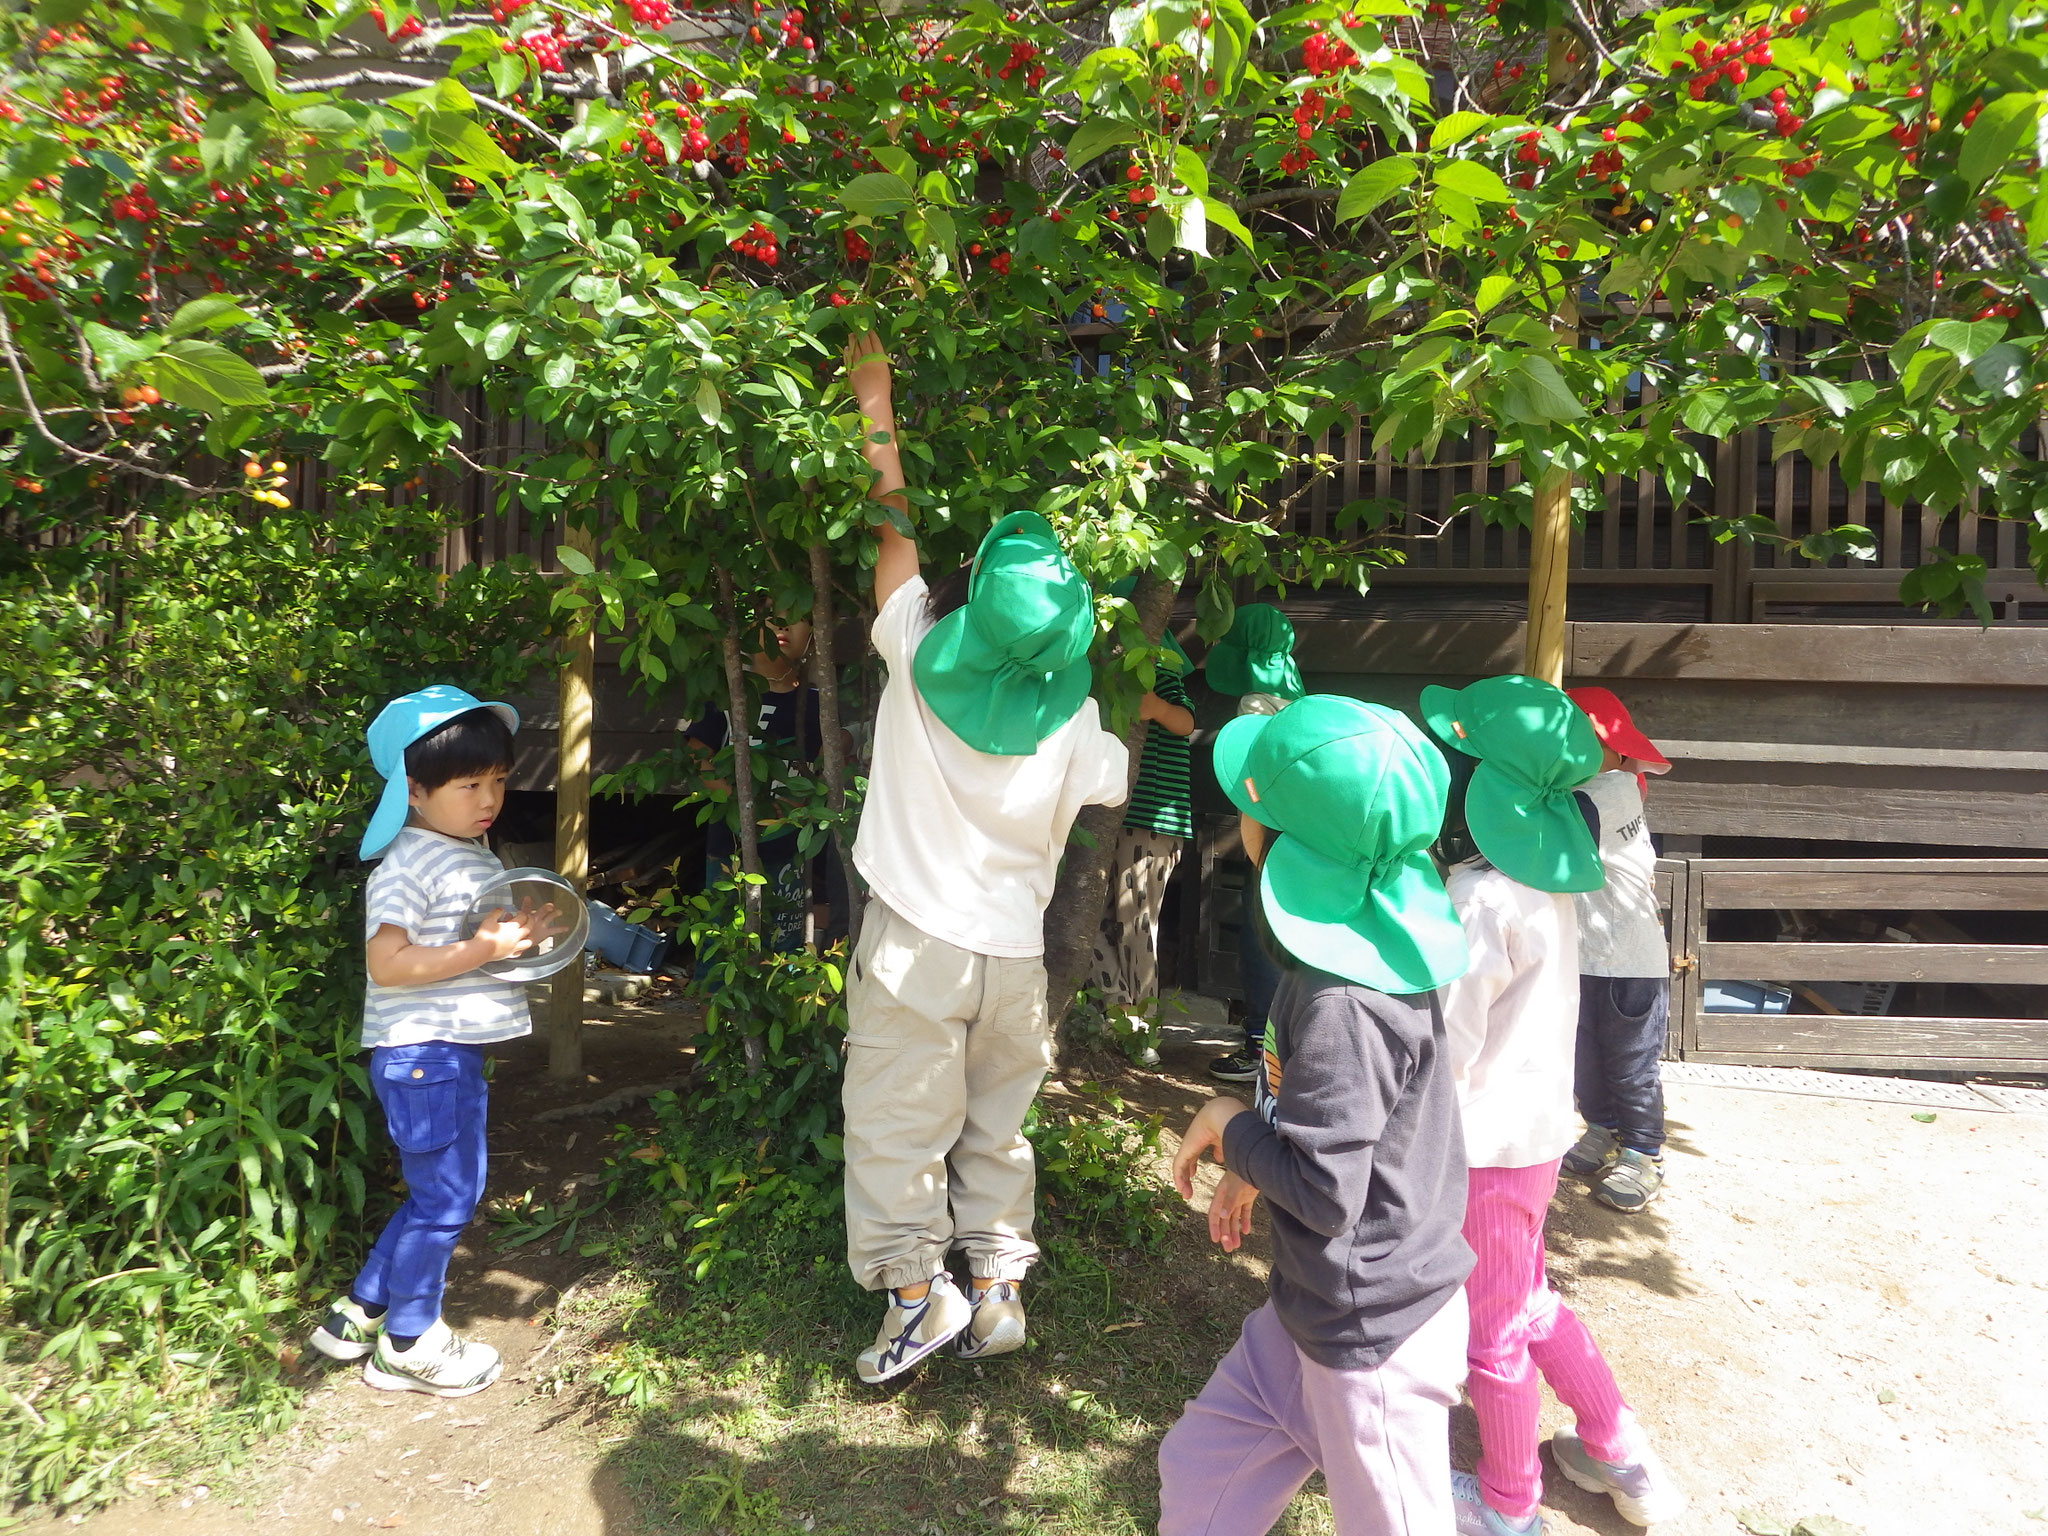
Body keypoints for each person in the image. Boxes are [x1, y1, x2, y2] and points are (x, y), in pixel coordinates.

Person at [837, 333, 1130, 1384]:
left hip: (917, 949)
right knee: (996, 1125)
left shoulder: (916, 650)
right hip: (1015, 961)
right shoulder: (1078, 721)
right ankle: (998, 1286)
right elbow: (1111, 779)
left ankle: (919, 1302)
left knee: (893, 1127)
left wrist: (877, 393)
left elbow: (891, 527)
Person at [1160, 694, 1475, 1536]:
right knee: (1201, 1469)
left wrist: (1233, 1125)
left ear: (1286, 850)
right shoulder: (1360, 949)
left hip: (1372, 1336)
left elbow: (1328, 1191)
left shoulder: (1345, 1003)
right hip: (1310, 1309)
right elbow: (1335, 1134)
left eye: (1253, 811)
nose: (1241, 823)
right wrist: (1256, 1162)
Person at [1420, 675, 1686, 1535]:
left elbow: (1451, 1042)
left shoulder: (1479, 896)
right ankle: (1617, 1450)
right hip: (1535, 1132)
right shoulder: (1551, 881)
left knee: (1493, 1326)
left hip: (1486, 1142)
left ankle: (1507, 1504)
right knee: (1530, 1297)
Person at [308, 686, 549, 1398]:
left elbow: (473, 944)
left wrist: (515, 940)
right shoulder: (409, 864)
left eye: (499, 780)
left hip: (445, 1054)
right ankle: (408, 1344)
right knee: (446, 1199)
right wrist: (480, 948)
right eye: (468, 784)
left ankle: (359, 1313)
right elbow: (389, 963)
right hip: (423, 1054)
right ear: (414, 791)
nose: (489, 797)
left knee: (440, 1192)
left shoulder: (467, 853)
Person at [1560, 687, 1675, 1213]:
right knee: (1584, 1055)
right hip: (1585, 954)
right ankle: (1601, 1130)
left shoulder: (1603, 793)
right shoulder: (1602, 784)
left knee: (1631, 1064)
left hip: (1629, 960)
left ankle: (1643, 1151)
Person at [1198, 603, 1305, 1084]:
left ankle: (1259, 1048)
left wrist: (1258, 854)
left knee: (1261, 939)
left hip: (1271, 837)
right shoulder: (1297, 696)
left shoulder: (1255, 706)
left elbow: (1253, 790)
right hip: (1304, 836)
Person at [1091, 586, 1197, 1064]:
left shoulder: (1162, 674)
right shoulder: (1106, 682)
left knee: (1136, 921)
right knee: (1092, 916)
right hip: (1111, 814)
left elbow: (1185, 721)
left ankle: (1145, 1027)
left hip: (1152, 821)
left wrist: (1155, 708)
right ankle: (1119, 1014)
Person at [686, 616, 823, 953]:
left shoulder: (819, 704)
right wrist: (734, 802)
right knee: (721, 956)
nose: (783, 626)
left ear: (816, 635)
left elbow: (825, 766)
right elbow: (695, 750)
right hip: (730, 848)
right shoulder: (728, 695)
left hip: (793, 849)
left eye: (797, 618)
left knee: (784, 949)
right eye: (772, 616)